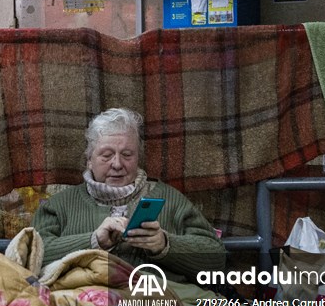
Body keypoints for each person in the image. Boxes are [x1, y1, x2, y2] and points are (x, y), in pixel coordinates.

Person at [32, 107, 225, 283]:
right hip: (81, 305)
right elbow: (32, 254)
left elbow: (216, 259)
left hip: (158, 303)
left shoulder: (169, 198)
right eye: (106, 155)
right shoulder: (59, 205)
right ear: (89, 159)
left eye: (127, 154)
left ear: (138, 158)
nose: (117, 164)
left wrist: (165, 245)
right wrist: (93, 241)